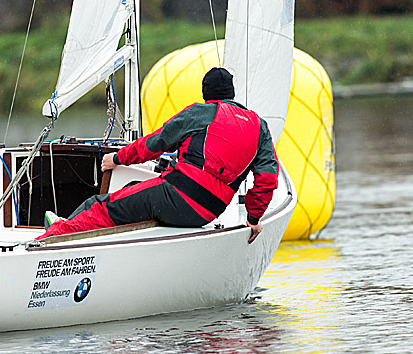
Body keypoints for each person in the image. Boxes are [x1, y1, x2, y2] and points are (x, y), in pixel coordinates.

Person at [37, 67, 278, 244]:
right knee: (133, 188)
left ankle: (52, 236)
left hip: (179, 196)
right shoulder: (260, 126)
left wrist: (118, 158)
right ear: (232, 94)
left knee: (98, 205)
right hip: (211, 210)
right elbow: (267, 179)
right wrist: (253, 218)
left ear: (207, 94)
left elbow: (155, 144)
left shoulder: (200, 113)